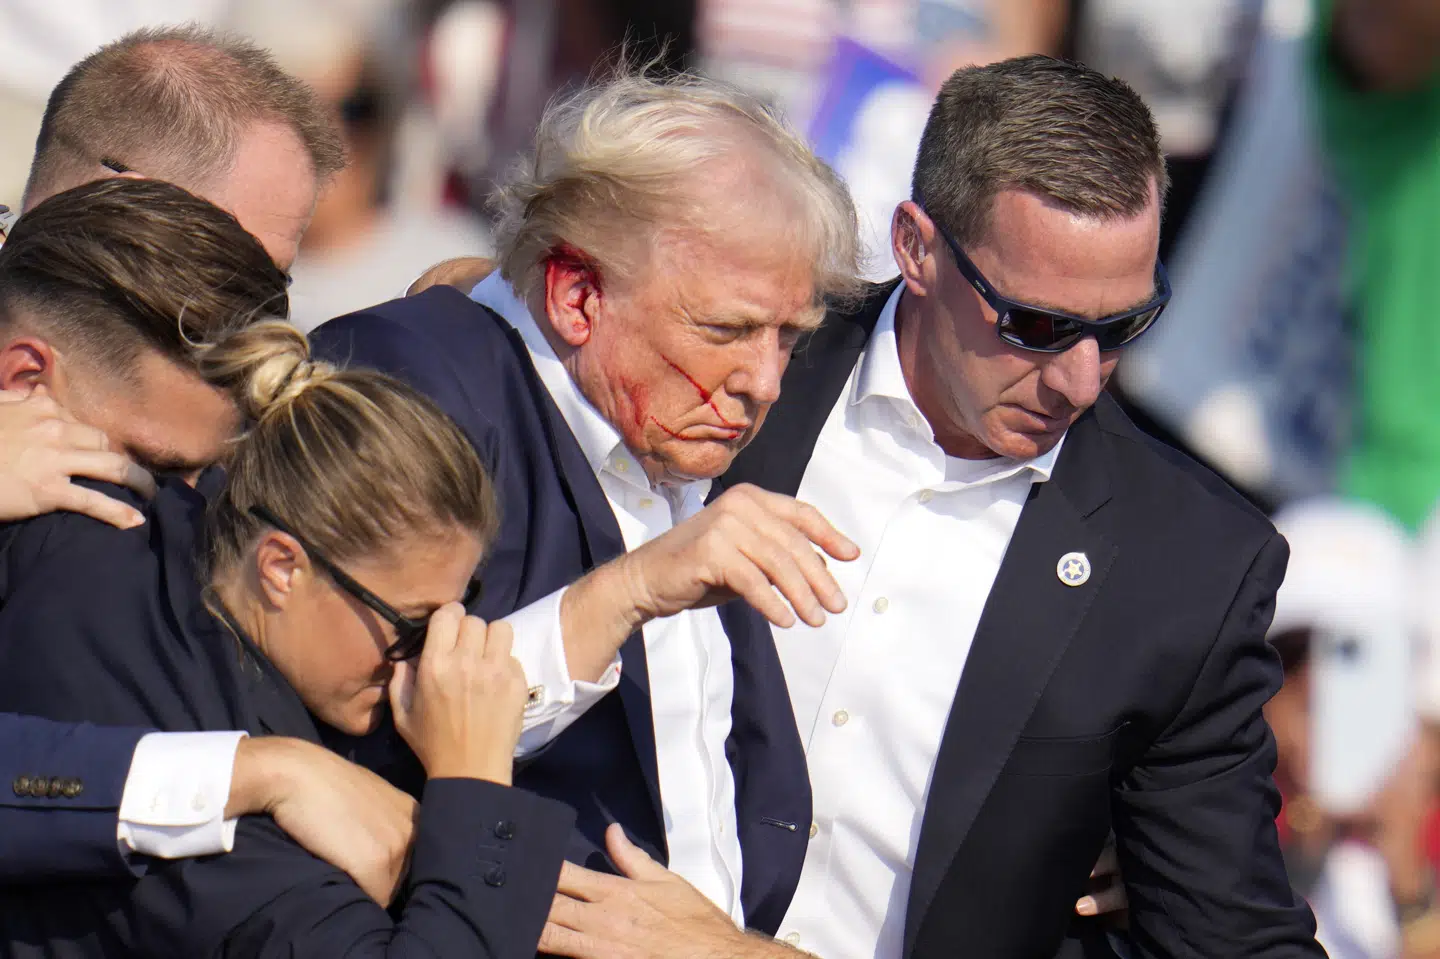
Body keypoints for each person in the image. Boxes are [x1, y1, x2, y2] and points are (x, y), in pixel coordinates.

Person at [535, 56, 1324, 958]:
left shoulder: (1186, 567)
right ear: (916, 247)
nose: (1080, 377)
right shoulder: (742, 366)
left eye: (1121, 327)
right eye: (1034, 323)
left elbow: (1235, 938)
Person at [310, 68, 862, 938]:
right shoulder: (412, 382)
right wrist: (634, 588)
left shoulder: (654, 403)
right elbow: (360, 710)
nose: (764, 381)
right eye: (726, 330)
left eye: (790, 336)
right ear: (576, 294)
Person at [0, 307, 573, 955]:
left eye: (460, 607)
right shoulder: (239, 840)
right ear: (281, 568)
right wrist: (475, 785)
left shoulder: (77, 518)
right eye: (413, 624)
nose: (431, 655)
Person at [0, 25, 401, 889]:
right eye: (239, 263)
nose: (251, 316)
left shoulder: (196, 421)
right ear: (133, 203)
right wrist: (255, 774)